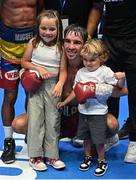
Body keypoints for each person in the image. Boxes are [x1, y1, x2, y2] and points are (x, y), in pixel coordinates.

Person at [12, 24, 128, 141]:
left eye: (77, 42)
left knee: (112, 125)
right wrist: (26, 76)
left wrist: (95, 89)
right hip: (56, 115)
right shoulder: (53, 63)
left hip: (83, 116)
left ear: (84, 46)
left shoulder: (93, 67)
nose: (71, 46)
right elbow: (26, 69)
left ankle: (90, 139)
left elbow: (121, 91)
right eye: (67, 41)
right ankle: (46, 136)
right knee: (19, 124)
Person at [57, 39, 125, 176]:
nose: (88, 63)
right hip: (83, 111)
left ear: (102, 58)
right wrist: (65, 102)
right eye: (85, 60)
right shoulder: (81, 72)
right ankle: (87, 157)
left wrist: (122, 77)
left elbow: (119, 86)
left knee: (99, 140)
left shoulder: (105, 71)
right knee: (86, 138)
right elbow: (76, 90)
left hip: (98, 112)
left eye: (92, 60)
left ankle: (101, 160)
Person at [87, 0, 136, 162]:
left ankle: (134, 141)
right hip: (110, 40)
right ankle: (110, 135)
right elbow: (96, 7)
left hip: (133, 40)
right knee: (108, 88)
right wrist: (87, 38)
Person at [21, 10, 67, 171]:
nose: (48, 32)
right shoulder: (33, 43)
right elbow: (24, 62)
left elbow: (63, 70)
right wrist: (38, 68)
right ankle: (35, 156)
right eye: (44, 28)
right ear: (38, 28)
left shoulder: (61, 47)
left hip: (53, 86)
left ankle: (52, 155)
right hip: (35, 85)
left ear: (58, 30)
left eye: (52, 29)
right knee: (35, 119)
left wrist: (60, 83)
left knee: (53, 120)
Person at [0, 0, 44, 164]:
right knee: (10, 95)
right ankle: (9, 141)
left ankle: (31, 135)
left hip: (31, 47)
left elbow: (41, 11)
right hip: (8, 49)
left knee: (32, 93)